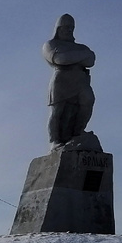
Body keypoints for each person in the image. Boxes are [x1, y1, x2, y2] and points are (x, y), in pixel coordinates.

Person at [42, 14, 96, 145]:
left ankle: (78, 133)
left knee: (88, 101)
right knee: (57, 111)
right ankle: (54, 141)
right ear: (58, 29)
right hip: (61, 81)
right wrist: (79, 57)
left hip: (80, 81)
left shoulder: (81, 47)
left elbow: (91, 60)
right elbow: (60, 59)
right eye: (65, 27)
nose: (68, 31)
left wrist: (72, 56)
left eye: (71, 28)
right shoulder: (50, 44)